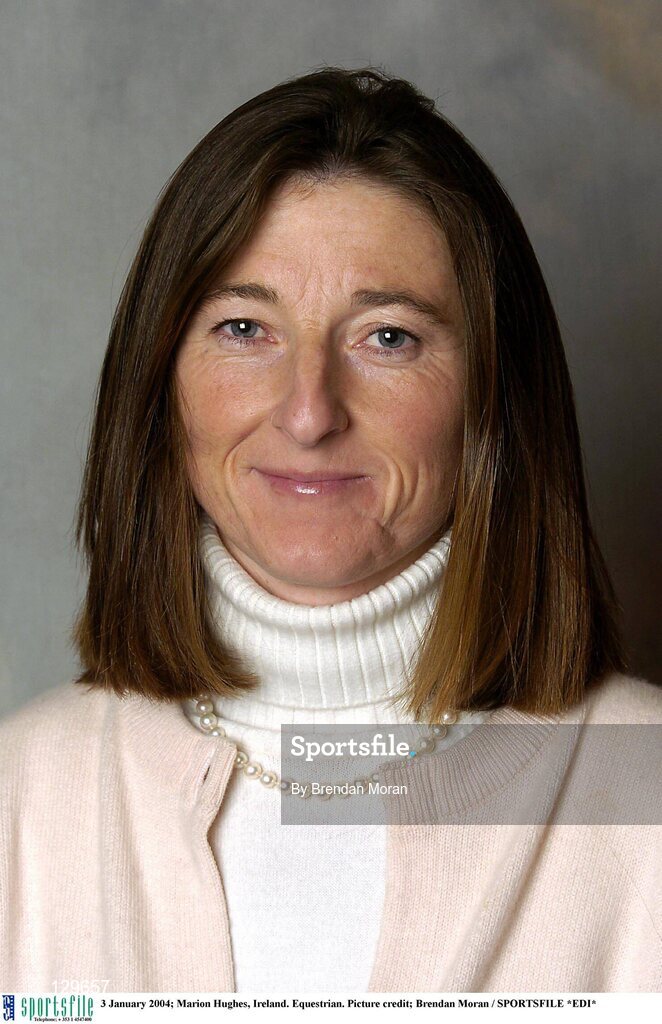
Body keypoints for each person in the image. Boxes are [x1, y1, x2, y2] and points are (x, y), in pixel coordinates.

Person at [1, 66, 660, 995]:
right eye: (244, 328)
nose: (309, 413)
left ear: (494, 399)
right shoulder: (22, 791)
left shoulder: (648, 789)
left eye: (387, 337)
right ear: (161, 383)